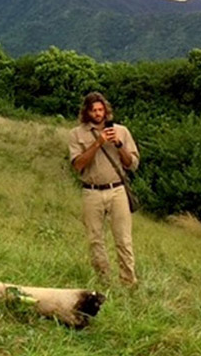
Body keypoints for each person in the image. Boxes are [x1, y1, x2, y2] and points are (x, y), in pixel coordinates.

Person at [68, 91, 139, 286]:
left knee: (123, 239)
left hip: (117, 190)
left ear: (106, 110)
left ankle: (128, 282)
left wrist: (118, 144)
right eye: (94, 110)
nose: (98, 114)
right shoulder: (76, 134)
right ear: (87, 112)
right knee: (95, 239)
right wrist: (98, 143)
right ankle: (103, 281)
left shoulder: (122, 131)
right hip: (91, 191)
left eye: (101, 110)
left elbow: (132, 164)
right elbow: (77, 165)